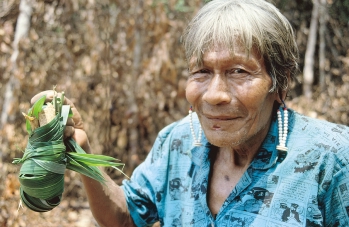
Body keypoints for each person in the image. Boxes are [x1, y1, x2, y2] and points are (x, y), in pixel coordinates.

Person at [32, 0, 349, 226]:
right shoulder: (178, 142)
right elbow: (125, 218)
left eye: (238, 71)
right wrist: (83, 152)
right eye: (201, 72)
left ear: (279, 82)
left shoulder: (331, 158)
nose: (215, 95)